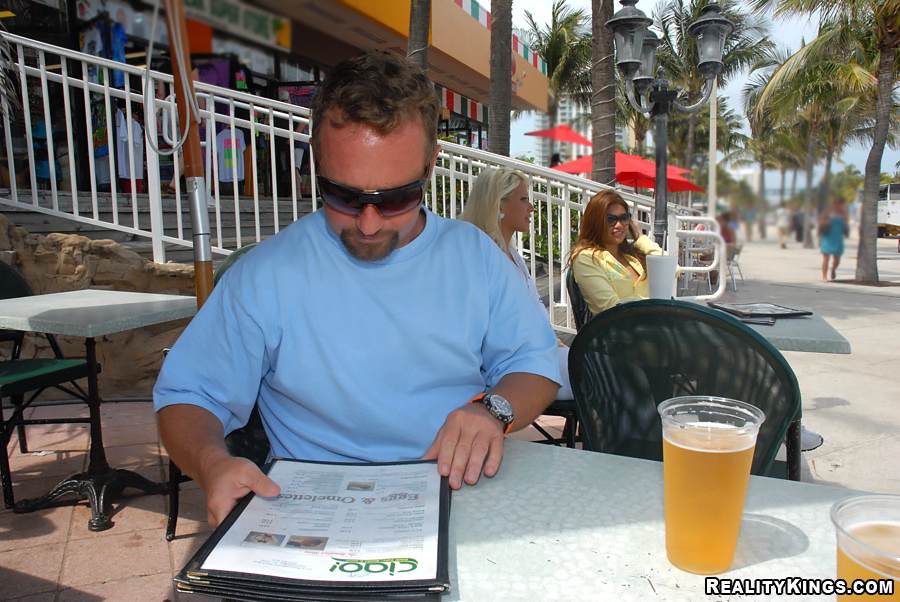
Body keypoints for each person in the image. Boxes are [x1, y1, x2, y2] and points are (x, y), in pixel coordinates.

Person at [153, 52, 561, 527]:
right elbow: (190, 394)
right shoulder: (267, 272)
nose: (368, 224)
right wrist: (212, 464)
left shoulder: (475, 257)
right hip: (314, 510)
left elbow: (534, 363)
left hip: (458, 492)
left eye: (397, 197)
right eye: (343, 196)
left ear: (431, 164)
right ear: (316, 158)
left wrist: (493, 411)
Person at [460, 167, 573, 400]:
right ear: (499, 205)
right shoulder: (480, 257)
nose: (531, 207)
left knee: (612, 367)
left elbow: (534, 312)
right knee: (606, 374)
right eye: (523, 199)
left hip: (536, 357)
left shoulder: (512, 255)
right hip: (516, 369)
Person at [568, 190, 664, 316]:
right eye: (610, 219)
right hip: (621, 326)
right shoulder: (586, 258)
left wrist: (640, 238)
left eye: (624, 218)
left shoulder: (632, 257)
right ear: (596, 223)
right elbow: (611, 308)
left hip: (653, 322)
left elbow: (672, 270)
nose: (619, 225)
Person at [818, 197, 848, 281]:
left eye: (842, 204)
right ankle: (824, 276)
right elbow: (821, 223)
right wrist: (825, 222)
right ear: (835, 204)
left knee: (837, 260)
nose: (840, 206)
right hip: (827, 238)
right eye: (839, 204)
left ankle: (833, 269)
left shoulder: (844, 213)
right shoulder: (828, 212)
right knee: (826, 258)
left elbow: (845, 225)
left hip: (838, 238)